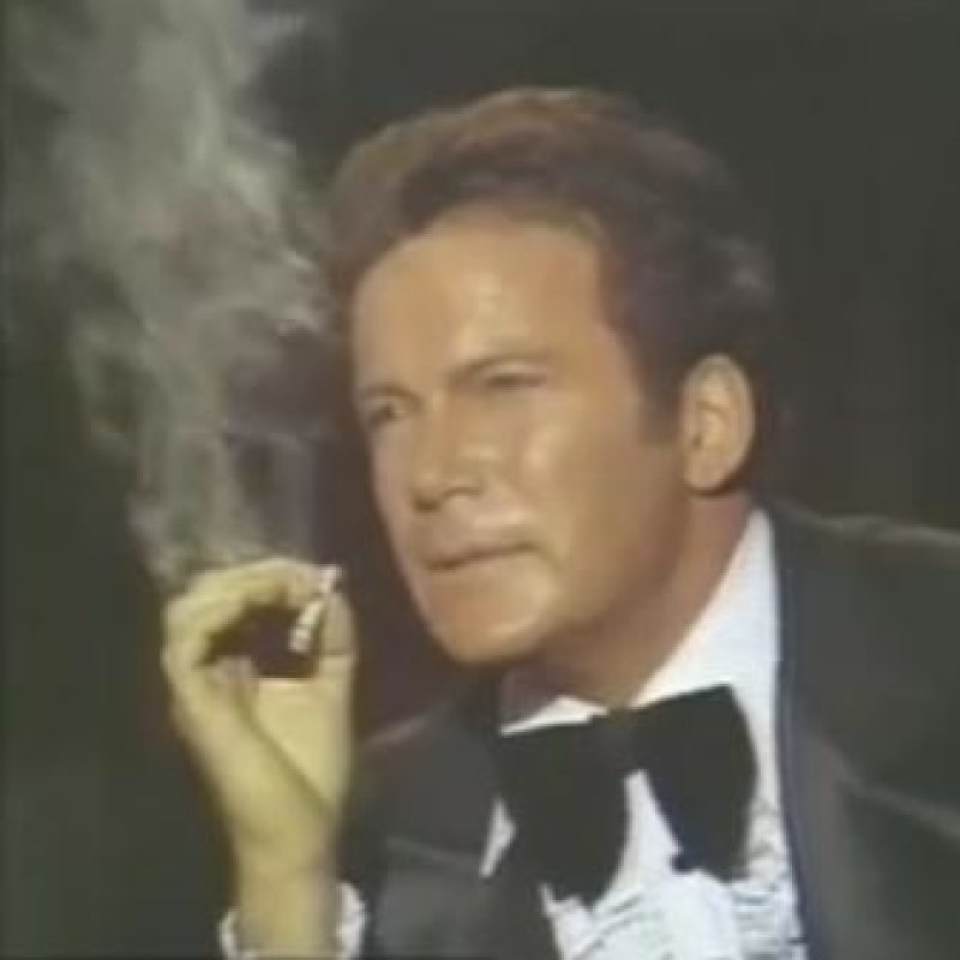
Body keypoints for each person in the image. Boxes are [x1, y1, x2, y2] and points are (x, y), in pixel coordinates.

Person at [162, 87, 960, 959]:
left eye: (504, 387)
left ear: (707, 425)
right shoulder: (376, 834)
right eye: (389, 414)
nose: (429, 476)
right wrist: (289, 879)